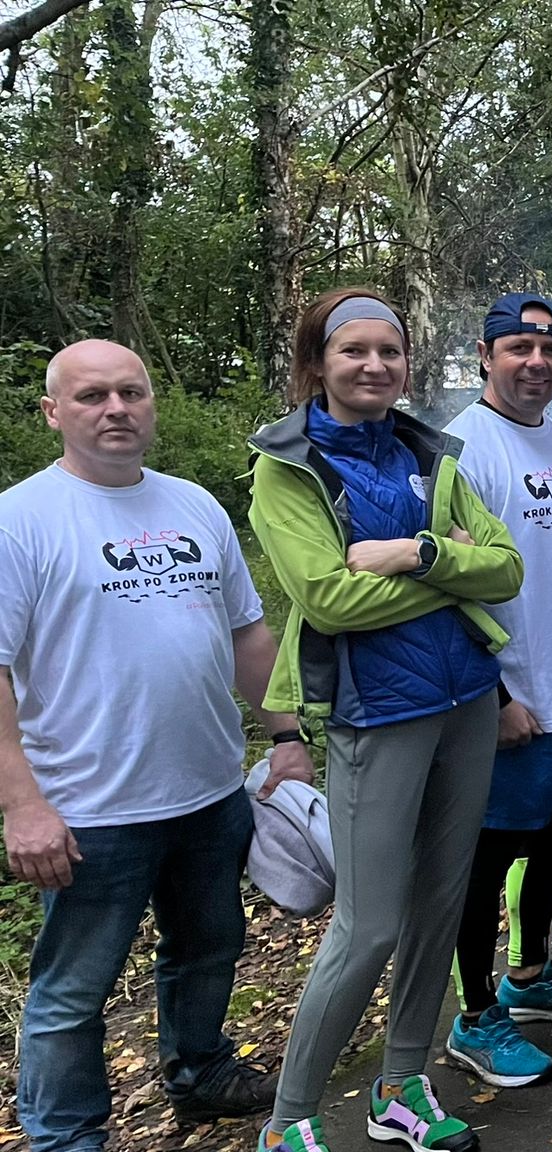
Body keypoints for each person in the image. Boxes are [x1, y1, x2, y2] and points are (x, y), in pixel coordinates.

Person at [2, 341, 314, 1152]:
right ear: (53, 413)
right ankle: (65, 1134)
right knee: (74, 990)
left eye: (131, 392)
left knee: (207, 948)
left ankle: (200, 1072)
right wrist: (23, 804)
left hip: (208, 790)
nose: (115, 409)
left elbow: (249, 633)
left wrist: (286, 732)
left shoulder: (192, 505)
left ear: (151, 403)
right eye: (92, 396)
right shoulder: (19, 520)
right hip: (89, 807)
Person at [250, 288, 524, 1152]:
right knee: (367, 925)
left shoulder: (428, 453)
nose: (374, 366)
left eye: (390, 352)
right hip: (378, 715)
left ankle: (399, 1088)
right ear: (318, 363)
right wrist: (453, 575)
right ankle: (287, 1120)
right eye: (353, 352)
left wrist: (418, 552)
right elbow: (327, 598)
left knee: (439, 905)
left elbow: (506, 568)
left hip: (466, 705)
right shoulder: (288, 468)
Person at [440, 293, 552, 1087]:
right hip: (514, 694)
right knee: (487, 855)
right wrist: (491, 695)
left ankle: (532, 974)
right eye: (517, 348)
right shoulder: (459, 448)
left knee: (551, 840)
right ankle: (475, 1017)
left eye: (549, 351)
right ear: (486, 356)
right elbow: (442, 588)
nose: (535, 363)